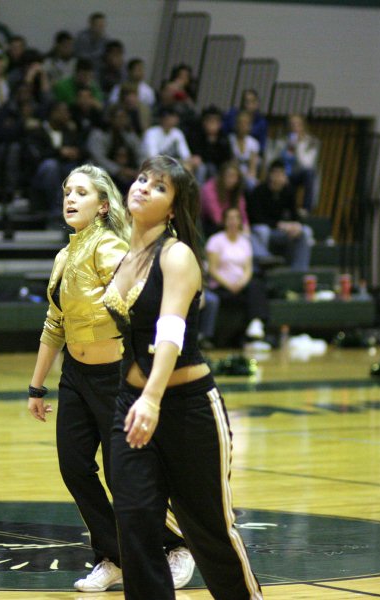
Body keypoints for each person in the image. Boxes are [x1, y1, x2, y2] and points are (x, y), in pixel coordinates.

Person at [27, 164, 194, 592]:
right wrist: (36, 386)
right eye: (66, 191)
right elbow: (54, 323)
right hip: (76, 378)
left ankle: (176, 546)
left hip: (114, 377)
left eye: (80, 192)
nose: (69, 198)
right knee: (74, 468)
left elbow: (139, 303)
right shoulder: (65, 255)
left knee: (126, 476)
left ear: (103, 205)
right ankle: (113, 556)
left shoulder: (109, 248)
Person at [104, 156, 262, 599]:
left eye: (158, 188)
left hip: (187, 408)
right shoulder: (124, 255)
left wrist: (152, 399)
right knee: (134, 522)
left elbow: (169, 331)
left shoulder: (178, 256)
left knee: (208, 530)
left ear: (173, 209)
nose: (142, 188)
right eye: (141, 180)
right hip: (130, 406)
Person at [206, 206, 270, 350]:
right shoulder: (216, 240)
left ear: (241, 221)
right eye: (230, 218)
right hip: (221, 285)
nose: (233, 221)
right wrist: (229, 284)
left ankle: (256, 324)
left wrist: (241, 282)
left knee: (257, 285)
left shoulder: (245, 242)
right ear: (224, 221)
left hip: (240, 284)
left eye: (236, 218)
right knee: (246, 295)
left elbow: (247, 268)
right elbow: (212, 269)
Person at [247, 160, 313, 271]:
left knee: (305, 231)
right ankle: (263, 266)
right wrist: (279, 224)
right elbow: (255, 218)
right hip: (264, 230)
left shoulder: (288, 191)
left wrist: (295, 225)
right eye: (275, 173)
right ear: (270, 175)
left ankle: (299, 271)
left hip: (280, 231)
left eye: (281, 174)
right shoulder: (259, 191)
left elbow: (295, 215)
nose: (278, 177)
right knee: (262, 230)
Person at [265, 113, 319, 211]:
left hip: (298, 174)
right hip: (283, 173)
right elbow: (271, 161)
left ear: (303, 126)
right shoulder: (281, 141)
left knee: (310, 173)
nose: (294, 127)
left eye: (298, 124)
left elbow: (307, 164)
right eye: (292, 124)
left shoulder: (310, 142)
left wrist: (297, 147)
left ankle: (306, 209)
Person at [199, 160, 250, 237]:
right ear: (222, 176)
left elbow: (242, 214)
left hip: (232, 225)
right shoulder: (209, 188)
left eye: (235, 176)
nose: (232, 179)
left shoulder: (236, 191)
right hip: (211, 227)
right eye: (229, 175)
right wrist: (236, 227)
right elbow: (216, 218)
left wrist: (245, 228)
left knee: (248, 237)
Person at [228, 111, 261, 190]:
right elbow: (232, 163)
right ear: (236, 124)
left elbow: (253, 167)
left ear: (250, 126)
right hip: (232, 174)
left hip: (248, 176)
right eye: (240, 122)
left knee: (252, 184)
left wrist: (249, 177)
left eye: (246, 123)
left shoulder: (254, 143)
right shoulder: (230, 140)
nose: (243, 125)